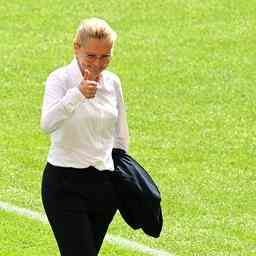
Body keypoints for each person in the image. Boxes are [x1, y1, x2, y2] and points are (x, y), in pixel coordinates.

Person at [40, 17, 129, 256]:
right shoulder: (60, 80)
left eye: (106, 56)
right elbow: (47, 124)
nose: (98, 63)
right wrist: (76, 95)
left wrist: (122, 178)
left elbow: (120, 136)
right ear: (76, 47)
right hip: (64, 184)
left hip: (104, 188)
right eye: (91, 56)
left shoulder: (113, 83)